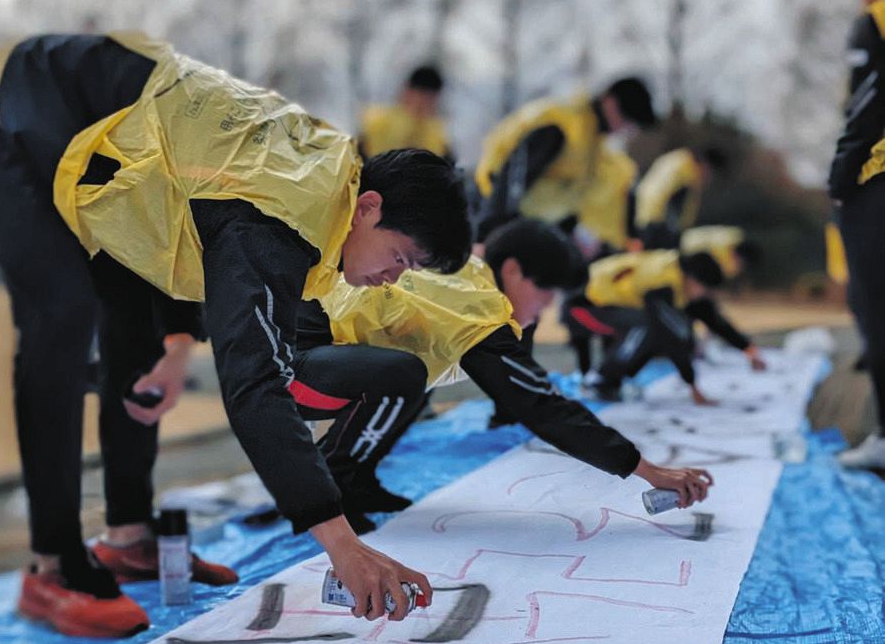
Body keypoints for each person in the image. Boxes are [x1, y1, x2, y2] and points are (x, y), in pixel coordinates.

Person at [0, 33, 472, 635]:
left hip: (125, 147)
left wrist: (178, 346)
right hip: (26, 104)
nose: (393, 278)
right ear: (368, 207)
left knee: (138, 337)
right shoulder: (282, 221)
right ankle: (52, 567)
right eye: (400, 257)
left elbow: (187, 214)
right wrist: (341, 542)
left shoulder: (325, 179)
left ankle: (127, 538)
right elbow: (254, 380)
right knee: (61, 311)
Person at [278, 219, 712, 523]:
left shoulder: (468, 275)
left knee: (413, 370)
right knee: (405, 373)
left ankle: (356, 478)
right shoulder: (478, 308)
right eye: (544, 294)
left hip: (309, 348)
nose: (545, 310)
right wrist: (646, 470)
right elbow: (541, 405)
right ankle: (332, 486)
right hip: (291, 368)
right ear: (513, 270)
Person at [473, 78, 657, 249]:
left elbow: (567, 198)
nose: (624, 129)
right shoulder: (563, 125)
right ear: (609, 101)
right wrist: (490, 236)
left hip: (525, 227)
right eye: (626, 118)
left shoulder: (591, 143)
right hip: (497, 218)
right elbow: (511, 180)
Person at [565, 249, 766, 403]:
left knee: (663, 327)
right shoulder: (665, 282)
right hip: (581, 306)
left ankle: (612, 380)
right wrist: (692, 384)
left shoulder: (680, 277)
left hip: (601, 305)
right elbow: (670, 333)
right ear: (694, 281)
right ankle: (600, 380)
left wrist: (747, 348)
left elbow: (710, 317)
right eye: (705, 290)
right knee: (649, 326)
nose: (705, 296)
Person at [828, 0, 885, 470]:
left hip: (879, 179)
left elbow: (868, 104)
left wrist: (840, 178)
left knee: (876, 304)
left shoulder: (877, 20)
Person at [634, 145, 725, 249]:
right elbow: (667, 199)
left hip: (645, 217)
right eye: (711, 174)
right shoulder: (686, 172)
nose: (709, 180)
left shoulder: (678, 160)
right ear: (706, 166)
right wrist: (672, 232)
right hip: (659, 225)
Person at [358, 65, 451, 160]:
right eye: (420, 97)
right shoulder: (377, 123)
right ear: (407, 92)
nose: (423, 104)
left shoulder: (437, 134)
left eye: (429, 99)